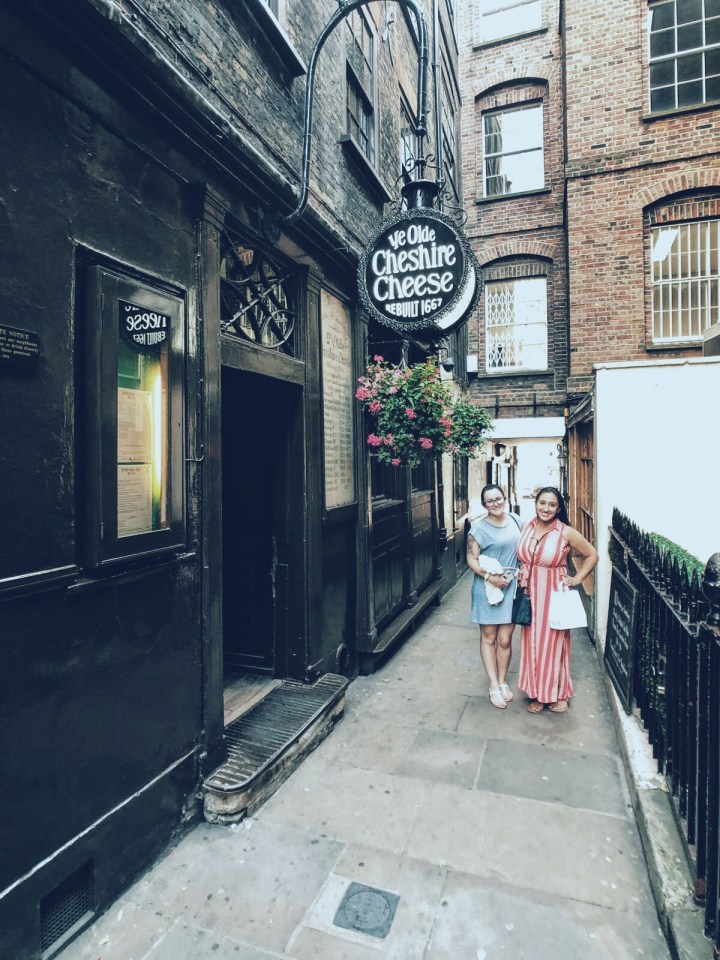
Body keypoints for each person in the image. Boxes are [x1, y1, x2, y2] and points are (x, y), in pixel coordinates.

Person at [517, 486, 599, 714]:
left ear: (559, 508)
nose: (546, 508)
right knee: (532, 644)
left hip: (553, 595)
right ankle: (537, 692)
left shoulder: (565, 532)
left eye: (552, 505)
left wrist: (577, 578)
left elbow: (592, 555)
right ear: (536, 504)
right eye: (542, 503)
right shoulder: (527, 526)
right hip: (529, 595)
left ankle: (558, 693)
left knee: (553, 645)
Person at [466, 485, 522, 709]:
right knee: (489, 637)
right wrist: (490, 577)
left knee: (505, 639)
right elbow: (471, 559)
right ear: (484, 505)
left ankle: (502, 680)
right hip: (488, 587)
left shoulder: (516, 520)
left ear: (505, 498)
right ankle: (493, 685)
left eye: (498, 499)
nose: (495, 503)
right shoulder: (478, 529)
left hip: (511, 586)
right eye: (490, 501)